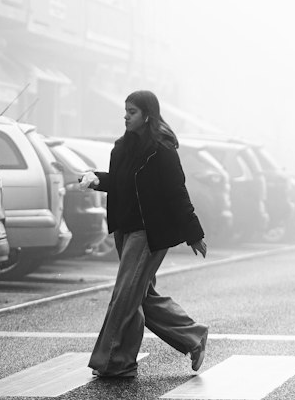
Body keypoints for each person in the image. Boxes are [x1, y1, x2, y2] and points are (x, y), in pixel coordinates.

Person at [79, 90, 209, 379]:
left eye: (132, 111)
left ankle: (114, 360)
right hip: (125, 231)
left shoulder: (161, 150)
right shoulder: (122, 148)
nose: (125, 116)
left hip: (149, 233)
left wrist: (194, 233)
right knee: (140, 295)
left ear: (147, 115)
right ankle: (193, 337)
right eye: (125, 111)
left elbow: (177, 193)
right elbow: (122, 184)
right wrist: (96, 179)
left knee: (125, 295)